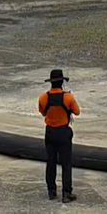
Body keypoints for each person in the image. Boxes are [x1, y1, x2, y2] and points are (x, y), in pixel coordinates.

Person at [38, 68, 81, 202]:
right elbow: (77, 112)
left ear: (51, 83)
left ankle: (51, 191)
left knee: (51, 162)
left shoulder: (43, 97)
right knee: (66, 163)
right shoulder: (67, 97)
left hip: (50, 132)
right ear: (62, 82)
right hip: (63, 132)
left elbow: (42, 112)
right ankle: (66, 193)